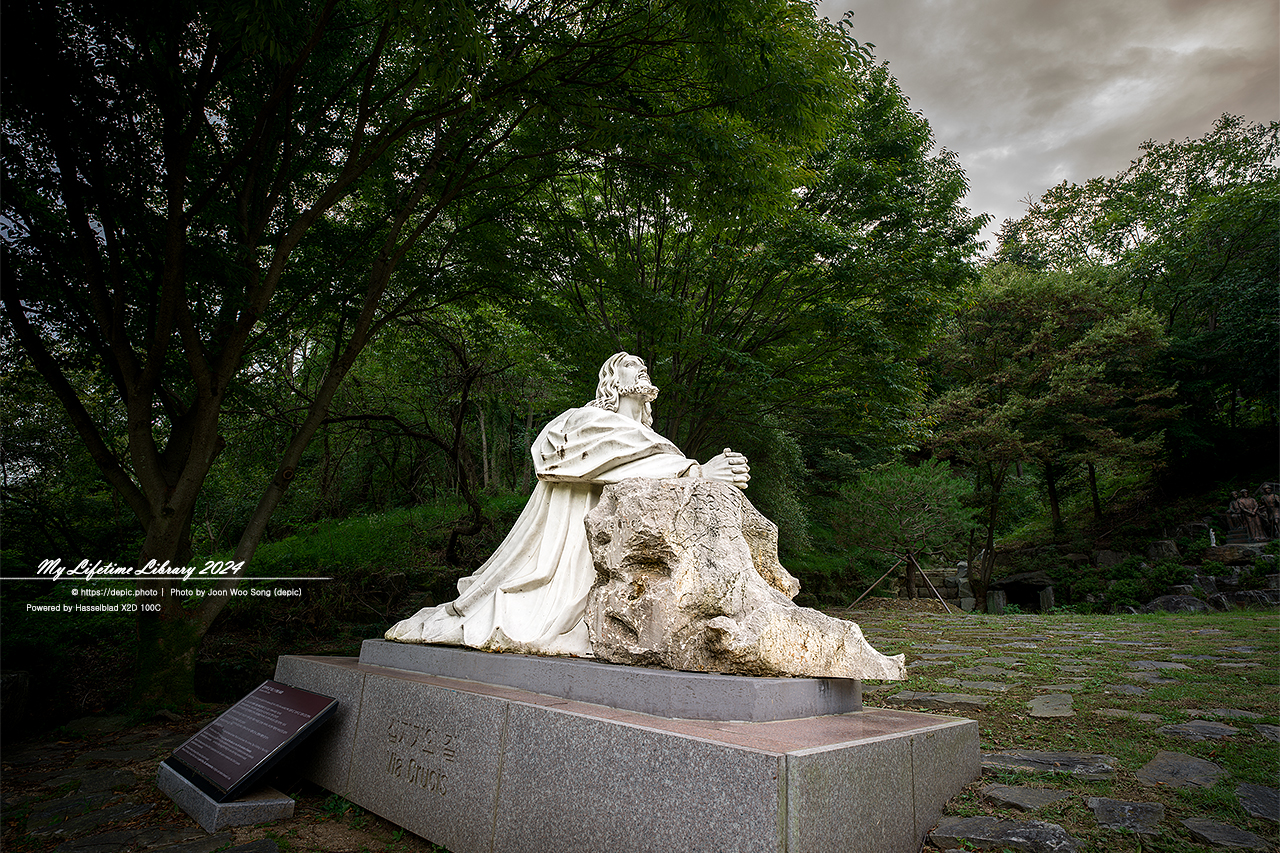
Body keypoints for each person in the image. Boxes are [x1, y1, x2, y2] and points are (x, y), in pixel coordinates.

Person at [385, 352, 750, 655]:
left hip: (614, 543)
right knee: (535, 610)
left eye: (644, 365)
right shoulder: (583, 420)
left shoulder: (656, 445)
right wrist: (696, 471)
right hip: (572, 531)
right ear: (612, 382)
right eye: (629, 363)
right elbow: (558, 459)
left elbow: (651, 476)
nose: (641, 366)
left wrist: (707, 476)